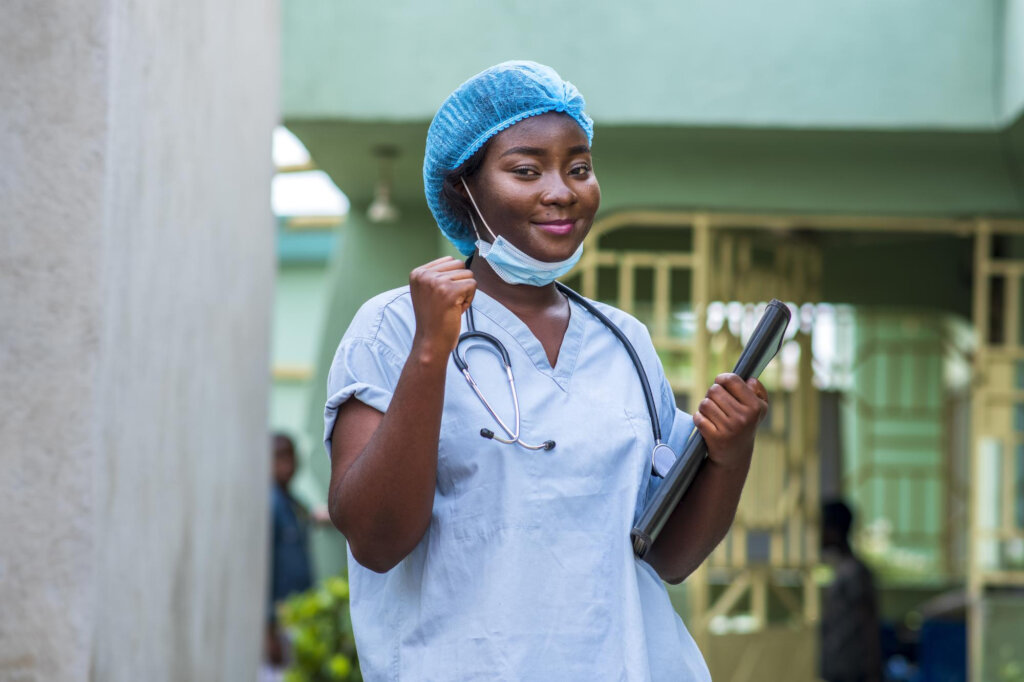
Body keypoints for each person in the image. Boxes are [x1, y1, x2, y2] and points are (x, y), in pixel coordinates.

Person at [324, 61, 768, 680]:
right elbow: (375, 539)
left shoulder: (625, 341)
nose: (561, 191)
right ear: (463, 190)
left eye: (579, 168)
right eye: (526, 170)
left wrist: (730, 454)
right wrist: (431, 351)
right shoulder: (393, 327)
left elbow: (666, 555)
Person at [265, 433, 315, 669]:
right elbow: (264, 569)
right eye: (278, 457)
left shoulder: (293, 503)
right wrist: (268, 628)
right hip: (279, 618)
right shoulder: (270, 505)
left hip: (298, 614)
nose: (286, 464)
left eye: (290, 456)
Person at [819, 499, 882, 682]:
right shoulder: (841, 572)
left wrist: (873, 675)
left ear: (833, 531)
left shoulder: (855, 574)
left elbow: (868, 630)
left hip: (855, 675)